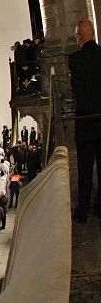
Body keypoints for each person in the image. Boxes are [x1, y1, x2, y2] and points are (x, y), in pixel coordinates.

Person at [68, 19, 101, 223]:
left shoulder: (75, 59)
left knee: (85, 167)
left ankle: (82, 211)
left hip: (85, 120)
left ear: (79, 37)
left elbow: (76, 88)